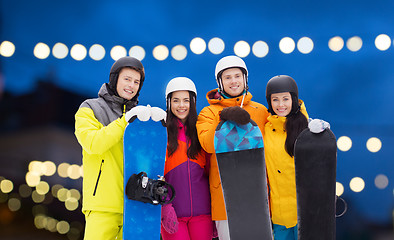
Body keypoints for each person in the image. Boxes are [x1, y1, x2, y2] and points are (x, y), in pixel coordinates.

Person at [196, 55, 269, 240]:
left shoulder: (260, 111)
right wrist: (223, 117)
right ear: (220, 82)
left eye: (237, 76)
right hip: (225, 197)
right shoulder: (208, 112)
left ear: (245, 79)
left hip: (256, 197)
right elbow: (207, 144)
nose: (233, 81)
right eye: (227, 77)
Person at [74, 56, 147, 240]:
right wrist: (125, 121)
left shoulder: (141, 117)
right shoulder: (90, 108)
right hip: (102, 205)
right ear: (115, 79)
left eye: (136, 82)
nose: (131, 85)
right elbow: (93, 144)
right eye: (127, 79)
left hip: (134, 205)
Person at [264, 75, 328, 240]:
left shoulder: (307, 127)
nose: (281, 104)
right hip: (279, 214)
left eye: (285, 98)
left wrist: (322, 136)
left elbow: (321, 165)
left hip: (305, 211)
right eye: (275, 100)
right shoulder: (266, 130)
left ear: (293, 99)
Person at [160, 77, 213, 240]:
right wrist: (164, 206)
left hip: (203, 214)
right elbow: (156, 174)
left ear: (193, 102)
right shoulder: (162, 133)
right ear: (168, 102)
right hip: (174, 214)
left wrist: (216, 211)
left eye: (186, 100)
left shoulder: (201, 132)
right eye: (176, 100)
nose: (181, 105)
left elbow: (212, 172)